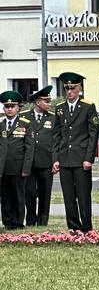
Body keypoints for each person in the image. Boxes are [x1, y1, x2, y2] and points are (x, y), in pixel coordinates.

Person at [53, 71, 98, 232]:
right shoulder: (59, 108)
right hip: (65, 158)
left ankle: (86, 227)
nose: (70, 92)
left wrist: (89, 158)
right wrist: (55, 158)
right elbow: (56, 135)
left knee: (83, 195)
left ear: (80, 88)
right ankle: (73, 227)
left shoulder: (87, 107)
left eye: (73, 88)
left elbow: (93, 134)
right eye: (67, 88)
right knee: (69, 196)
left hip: (81, 158)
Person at [22, 86, 56, 226]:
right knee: (29, 193)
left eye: (50, 100)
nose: (49, 103)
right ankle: (30, 220)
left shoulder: (53, 118)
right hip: (29, 162)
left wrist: (55, 160)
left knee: (45, 192)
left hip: (46, 161)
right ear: (37, 102)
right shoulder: (24, 116)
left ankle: (43, 220)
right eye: (46, 100)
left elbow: (56, 141)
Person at [0, 91, 27, 229]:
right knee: (5, 197)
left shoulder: (24, 124)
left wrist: (26, 168)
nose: (9, 109)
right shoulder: (1, 125)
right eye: (7, 106)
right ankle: (7, 221)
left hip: (18, 167)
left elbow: (29, 148)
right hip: (3, 168)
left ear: (18, 108)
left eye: (12, 106)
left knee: (18, 196)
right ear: (3, 108)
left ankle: (18, 221)